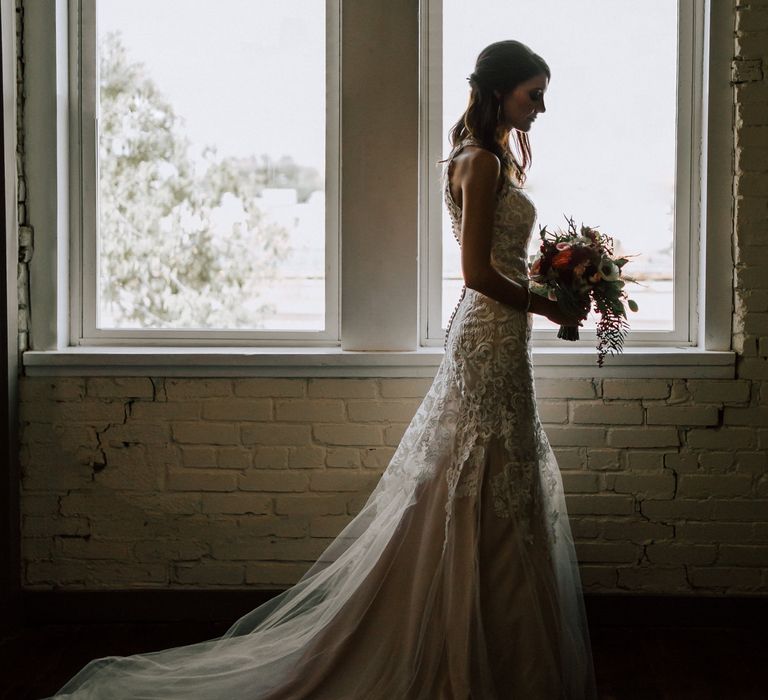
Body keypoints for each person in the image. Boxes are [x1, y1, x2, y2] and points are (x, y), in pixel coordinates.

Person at [49, 40, 597, 699]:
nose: (541, 106)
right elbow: (478, 273)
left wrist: (554, 279)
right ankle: (467, 648)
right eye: (533, 93)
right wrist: (546, 301)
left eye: (542, 94)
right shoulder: (478, 162)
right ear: (499, 90)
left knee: (495, 477)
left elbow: (499, 261)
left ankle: (502, 649)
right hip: (489, 335)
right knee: (483, 473)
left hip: (498, 339)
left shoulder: (489, 157)